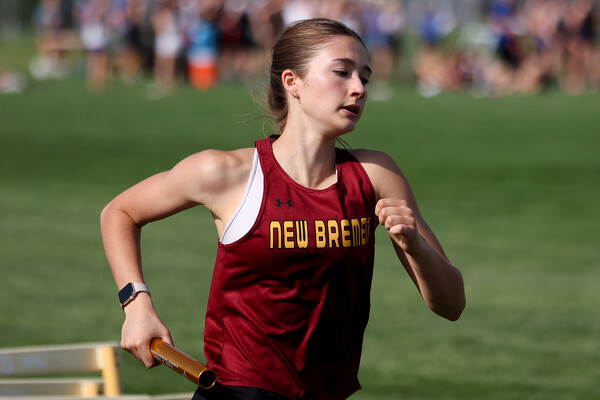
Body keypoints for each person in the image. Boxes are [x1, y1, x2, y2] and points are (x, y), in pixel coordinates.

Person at [100, 18, 465, 400]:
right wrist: (136, 305)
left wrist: (416, 248)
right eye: (342, 72)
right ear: (292, 82)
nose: (358, 88)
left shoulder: (376, 175)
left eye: (365, 77)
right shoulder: (226, 173)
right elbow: (119, 213)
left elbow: (452, 304)